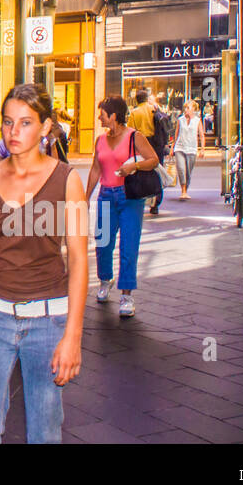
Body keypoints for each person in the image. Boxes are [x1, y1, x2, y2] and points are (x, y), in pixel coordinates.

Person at [0, 83, 89, 443]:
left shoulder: (66, 181)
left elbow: (77, 259)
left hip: (48, 320)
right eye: (8, 122)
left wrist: (73, 335)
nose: (14, 132)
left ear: (45, 127)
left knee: (44, 432)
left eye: (25, 123)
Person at [87, 95, 159, 318]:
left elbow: (153, 159)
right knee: (103, 243)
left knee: (128, 246)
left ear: (114, 116)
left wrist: (133, 166)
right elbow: (96, 170)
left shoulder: (133, 137)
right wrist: (84, 196)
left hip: (129, 197)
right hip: (106, 195)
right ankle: (105, 279)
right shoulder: (100, 140)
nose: (100, 117)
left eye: (103, 114)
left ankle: (127, 294)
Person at [127, 88, 167, 217]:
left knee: (141, 172)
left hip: (142, 143)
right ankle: (156, 203)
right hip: (156, 143)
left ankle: (142, 199)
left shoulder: (134, 112)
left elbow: (131, 131)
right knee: (157, 171)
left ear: (136, 100)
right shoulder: (154, 109)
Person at [172, 99, 204, 199]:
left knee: (188, 171)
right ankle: (183, 191)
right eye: (185, 108)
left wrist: (202, 149)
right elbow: (176, 134)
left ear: (193, 109)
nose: (186, 110)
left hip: (191, 148)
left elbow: (201, 135)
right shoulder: (180, 120)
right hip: (180, 147)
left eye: (188, 108)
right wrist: (172, 147)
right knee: (181, 169)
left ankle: (186, 188)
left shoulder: (197, 120)